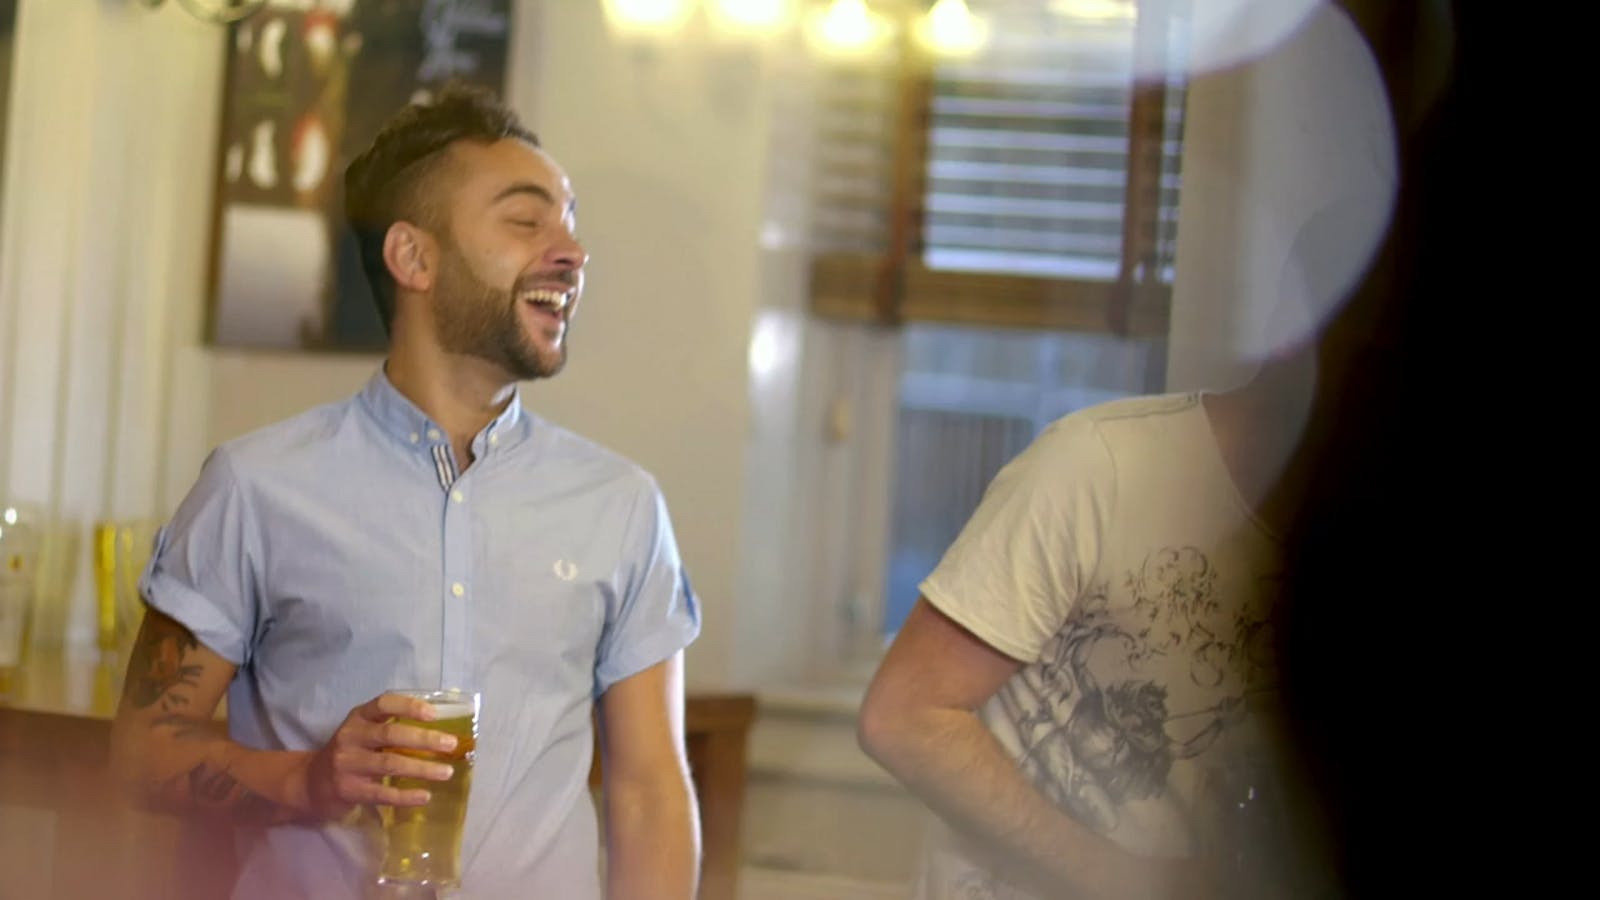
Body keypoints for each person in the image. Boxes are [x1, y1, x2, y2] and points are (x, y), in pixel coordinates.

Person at [109, 86, 702, 900]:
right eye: (526, 221)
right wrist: (309, 780)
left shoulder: (622, 506)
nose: (572, 251)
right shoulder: (254, 486)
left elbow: (651, 793)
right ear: (413, 258)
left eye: (569, 223)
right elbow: (142, 756)